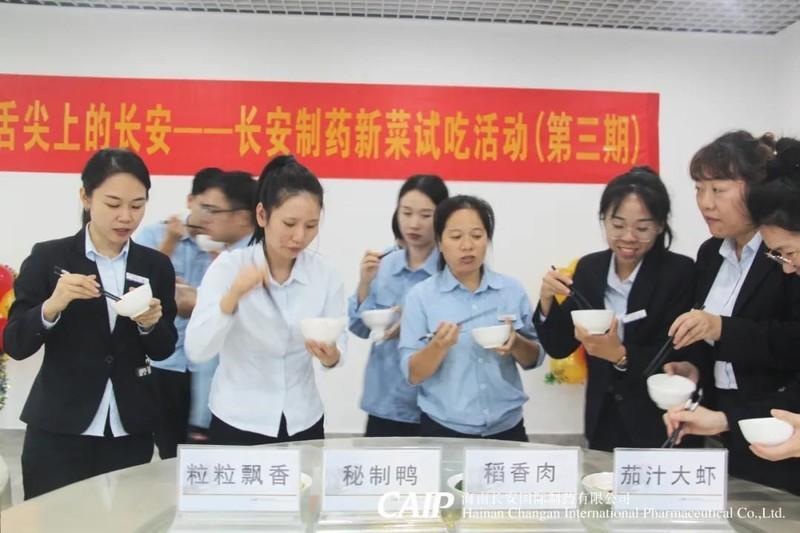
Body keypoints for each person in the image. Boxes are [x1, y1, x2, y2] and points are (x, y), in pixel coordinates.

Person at [3, 148, 177, 499]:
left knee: (125, 520)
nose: (126, 217)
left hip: (129, 430)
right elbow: (16, 343)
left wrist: (150, 324)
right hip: (58, 430)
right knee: (54, 520)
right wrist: (52, 305)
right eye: (113, 204)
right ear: (86, 197)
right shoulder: (50, 258)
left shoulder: (155, 265)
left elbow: (164, 347)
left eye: (137, 205)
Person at [665, 131, 800, 492]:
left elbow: (791, 340)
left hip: (778, 421)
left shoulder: (783, 254)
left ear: (754, 189)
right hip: (727, 423)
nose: (705, 203)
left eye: (718, 190)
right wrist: (694, 368)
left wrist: (721, 328)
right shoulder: (711, 254)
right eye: (698, 189)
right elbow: (712, 339)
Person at [185, 155, 345, 445]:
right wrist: (233, 297)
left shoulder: (325, 274)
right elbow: (197, 349)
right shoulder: (229, 267)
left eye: (311, 225)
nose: (300, 236)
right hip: (237, 420)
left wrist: (331, 356)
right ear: (262, 215)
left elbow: (338, 346)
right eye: (289, 223)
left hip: (302, 419)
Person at [534, 167, 695, 451]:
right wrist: (547, 300)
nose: (628, 237)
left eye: (642, 228)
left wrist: (620, 355)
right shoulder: (590, 269)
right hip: (603, 419)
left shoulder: (679, 272)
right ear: (604, 220)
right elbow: (559, 346)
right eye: (617, 225)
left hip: (658, 422)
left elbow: (679, 353)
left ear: (660, 226)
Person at [399, 195, 543, 441]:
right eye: (456, 237)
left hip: (507, 427)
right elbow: (413, 374)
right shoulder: (421, 297)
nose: (467, 246)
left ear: (488, 239)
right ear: (440, 242)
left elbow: (534, 359)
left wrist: (516, 343)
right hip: (444, 429)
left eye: (477, 236)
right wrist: (438, 346)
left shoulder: (511, 290)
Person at [135, 168, 257, 455]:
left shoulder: (227, 249)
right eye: (205, 207)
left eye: (215, 210)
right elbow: (138, 287)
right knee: (169, 446)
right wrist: (170, 241)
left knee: (205, 445)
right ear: (190, 201)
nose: (208, 217)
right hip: (168, 360)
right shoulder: (156, 233)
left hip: (211, 365)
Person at [348, 175, 448, 437]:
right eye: (406, 212)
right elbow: (359, 328)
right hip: (386, 402)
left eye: (425, 215)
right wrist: (364, 283)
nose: (414, 223)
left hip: (437, 405)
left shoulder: (451, 269)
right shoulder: (383, 263)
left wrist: (415, 321)